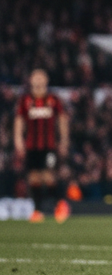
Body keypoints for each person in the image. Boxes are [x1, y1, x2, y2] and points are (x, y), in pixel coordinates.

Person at [13, 68, 70, 220]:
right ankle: (38, 211)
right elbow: (19, 121)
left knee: (49, 176)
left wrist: (64, 140)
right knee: (33, 178)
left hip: (49, 146)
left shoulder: (53, 99)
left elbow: (62, 120)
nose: (38, 80)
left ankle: (60, 204)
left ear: (46, 81)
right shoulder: (25, 100)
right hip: (32, 146)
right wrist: (18, 140)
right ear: (31, 80)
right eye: (35, 77)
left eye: (41, 77)